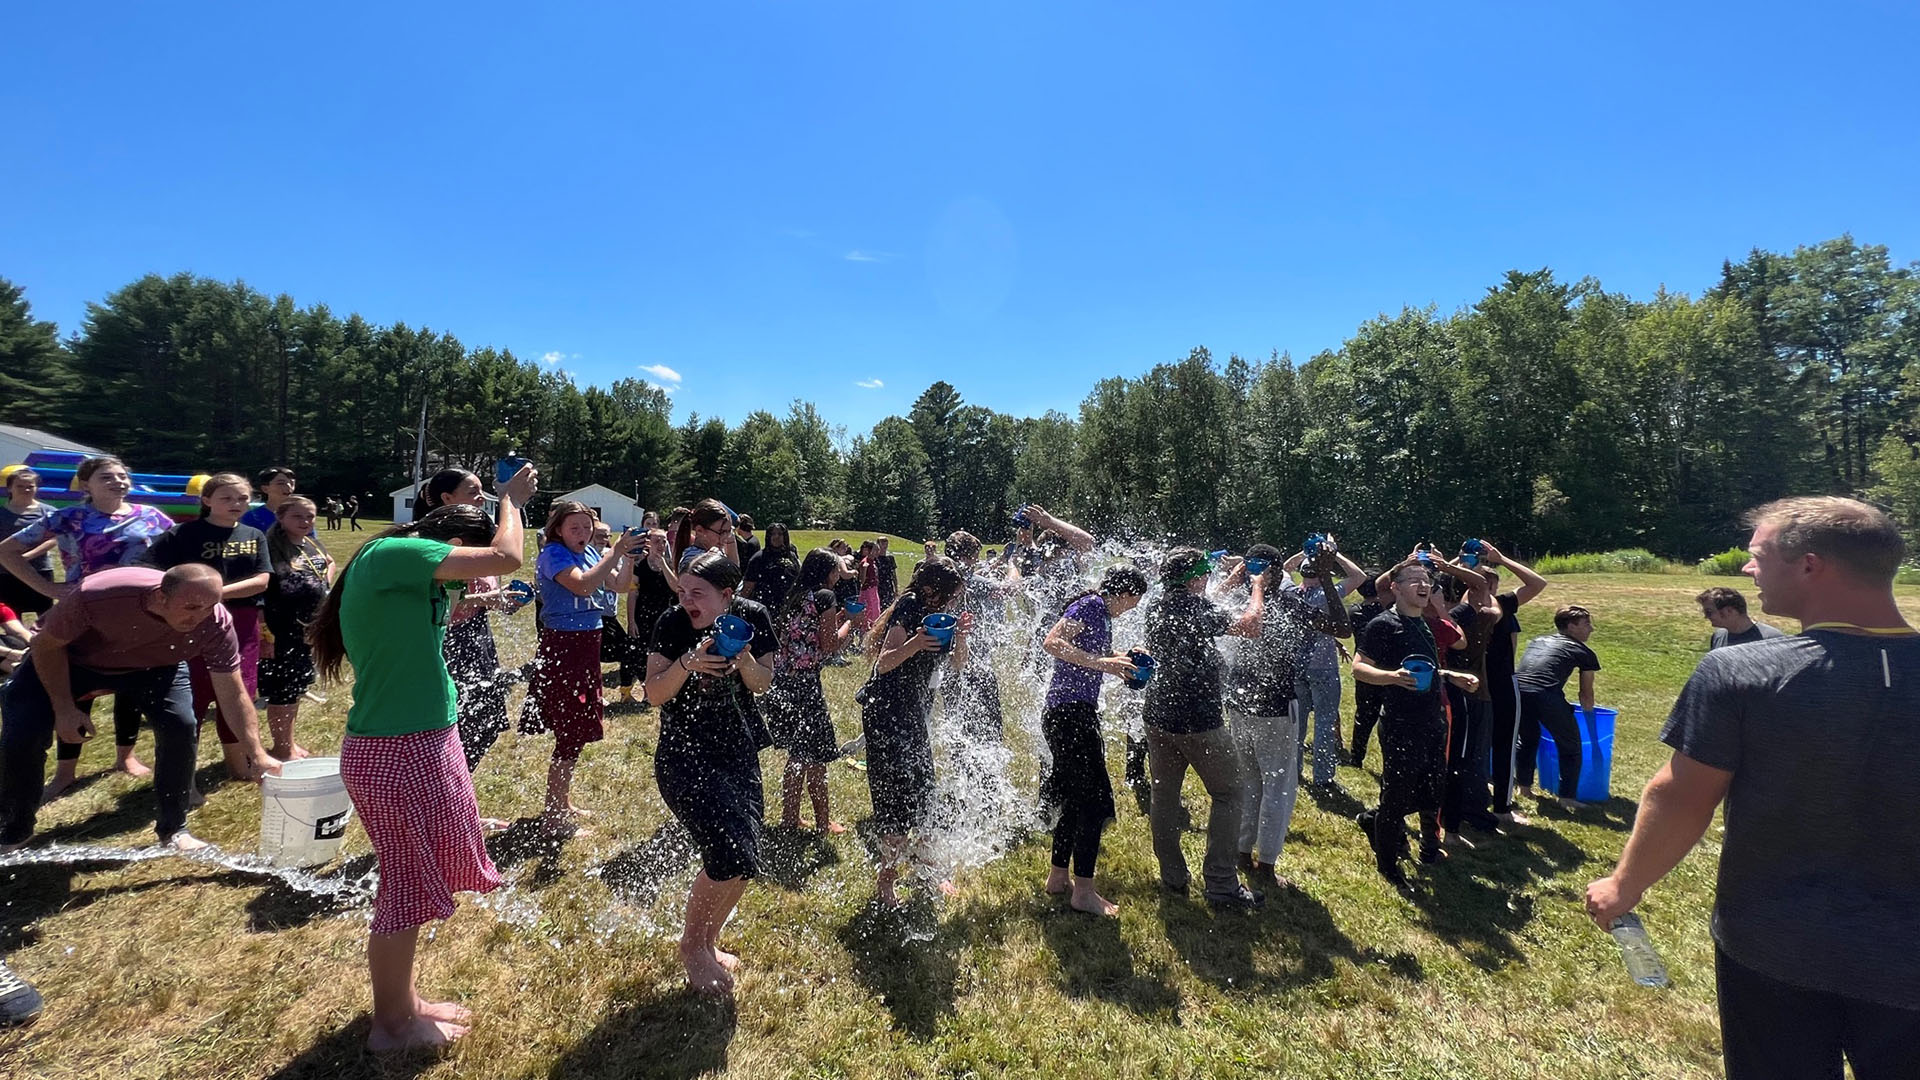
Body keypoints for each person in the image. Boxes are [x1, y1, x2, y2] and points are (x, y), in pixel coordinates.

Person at [1585, 497, 1920, 1080]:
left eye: (1757, 555)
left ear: (1811, 566)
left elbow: (1681, 797)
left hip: (1775, 947)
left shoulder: (1742, 672)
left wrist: (1623, 885)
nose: (1746, 570)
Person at [307, 464, 536, 1051]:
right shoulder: (394, 553)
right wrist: (510, 503)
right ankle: (391, 1026)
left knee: (420, 871)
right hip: (393, 747)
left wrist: (471, 597)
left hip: (424, 736)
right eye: (466, 560)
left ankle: (401, 1002)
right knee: (405, 883)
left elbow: (450, 607)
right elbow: (509, 557)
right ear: (451, 544)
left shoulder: (412, 572)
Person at [0, 563, 283, 851]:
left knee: (181, 726)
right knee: (22, 736)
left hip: (155, 667)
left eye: (210, 606)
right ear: (161, 597)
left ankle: (174, 830)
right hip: (70, 660)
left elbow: (232, 693)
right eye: (191, 607)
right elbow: (46, 645)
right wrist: (64, 708)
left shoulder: (216, 622)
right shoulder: (99, 596)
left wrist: (257, 754)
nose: (200, 617)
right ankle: (14, 830)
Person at [0, 455, 177, 790]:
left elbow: (179, 555)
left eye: (122, 476)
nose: (117, 482)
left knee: (131, 682)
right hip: (83, 611)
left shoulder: (152, 517)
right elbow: (7, 551)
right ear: (86, 484)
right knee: (78, 685)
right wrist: (48, 588)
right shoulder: (68, 517)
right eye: (107, 477)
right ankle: (65, 771)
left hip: (140, 612)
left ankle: (125, 755)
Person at [644, 552, 777, 995]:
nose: (686, 601)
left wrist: (743, 662)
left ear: (727, 595)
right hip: (685, 756)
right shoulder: (673, 623)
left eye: (697, 593)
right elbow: (654, 694)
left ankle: (708, 939)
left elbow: (763, 683)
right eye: (681, 591)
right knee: (724, 856)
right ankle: (691, 947)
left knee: (746, 858)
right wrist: (687, 664)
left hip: (737, 752)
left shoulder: (753, 617)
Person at [1142, 547, 1267, 910]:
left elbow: (1209, 607)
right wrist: (1256, 586)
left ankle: (1173, 876)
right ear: (1195, 576)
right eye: (1205, 573)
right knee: (1230, 793)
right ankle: (1222, 884)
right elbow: (1250, 626)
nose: (1208, 579)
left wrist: (1232, 580)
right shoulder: (1194, 608)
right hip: (1198, 721)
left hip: (1158, 715)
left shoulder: (1159, 604)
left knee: (1164, 797)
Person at [1352, 561, 1481, 886]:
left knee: (1431, 792)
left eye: (1427, 581)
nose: (1424, 586)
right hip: (1400, 724)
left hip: (1433, 721)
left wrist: (1451, 675)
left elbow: (1426, 670)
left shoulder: (1425, 624)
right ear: (1395, 587)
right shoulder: (1383, 625)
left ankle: (1386, 825)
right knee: (1396, 797)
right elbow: (1358, 668)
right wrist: (1391, 677)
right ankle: (1389, 866)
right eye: (1414, 581)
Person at [857, 555, 974, 907]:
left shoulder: (941, 617)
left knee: (924, 793)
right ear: (931, 591)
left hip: (912, 712)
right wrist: (916, 644)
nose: (954, 602)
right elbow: (884, 663)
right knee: (893, 798)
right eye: (951, 596)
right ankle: (885, 884)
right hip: (886, 712)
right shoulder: (910, 606)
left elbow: (957, 664)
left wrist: (962, 637)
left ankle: (927, 872)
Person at [142, 472, 272, 781]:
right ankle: (183, 777)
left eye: (242, 498)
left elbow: (262, 579)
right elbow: (149, 570)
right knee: (195, 695)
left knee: (242, 691)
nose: (235, 504)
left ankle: (239, 766)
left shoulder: (254, 535)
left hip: (242, 623)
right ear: (206, 500)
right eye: (226, 498)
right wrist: (194, 601)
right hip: (192, 622)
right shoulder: (182, 534)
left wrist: (217, 594)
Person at [520, 501, 639, 836]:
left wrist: (627, 558)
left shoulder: (589, 553)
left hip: (587, 645)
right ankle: (553, 817)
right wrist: (614, 553)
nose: (583, 534)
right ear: (558, 529)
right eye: (575, 528)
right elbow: (585, 586)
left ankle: (561, 802)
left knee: (574, 731)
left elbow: (617, 586)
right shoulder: (554, 555)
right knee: (570, 730)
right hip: (565, 647)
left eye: (586, 528)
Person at [1038, 564, 1148, 916]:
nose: (1132, 607)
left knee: (1074, 798)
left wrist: (1118, 660)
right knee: (1095, 802)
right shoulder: (1089, 606)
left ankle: (1058, 878)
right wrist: (1103, 663)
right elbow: (1052, 643)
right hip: (1069, 715)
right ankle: (1083, 891)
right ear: (1126, 593)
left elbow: (1089, 659)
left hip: (1070, 713)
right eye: (1134, 600)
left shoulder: (1100, 613)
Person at [1227, 545, 1334, 890]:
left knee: (1249, 781)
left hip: (1239, 705)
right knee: (1278, 786)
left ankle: (1243, 852)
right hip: (1274, 709)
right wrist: (1328, 580)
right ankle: (1268, 866)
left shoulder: (1240, 603)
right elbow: (1341, 626)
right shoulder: (1288, 603)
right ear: (1275, 572)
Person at [766, 548, 852, 832]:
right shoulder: (826, 596)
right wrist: (851, 625)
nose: (839, 575)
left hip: (783, 681)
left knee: (796, 753)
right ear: (828, 572)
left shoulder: (796, 595)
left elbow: (803, 632)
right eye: (837, 570)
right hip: (805, 685)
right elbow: (828, 645)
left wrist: (833, 619)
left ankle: (790, 819)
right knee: (814, 756)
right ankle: (823, 822)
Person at [1280, 537, 1364, 790]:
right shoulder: (1329, 593)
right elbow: (1358, 576)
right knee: (1325, 723)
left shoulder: (1290, 592)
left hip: (1296, 666)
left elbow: (1285, 568)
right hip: (1323, 666)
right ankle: (1323, 777)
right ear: (1322, 571)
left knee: (1297, 724)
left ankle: (1294, 772)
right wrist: (1333, 553)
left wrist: (1303, 550)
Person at [258, 496, 333, 762]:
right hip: (280, 630)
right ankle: (281, 747)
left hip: (307, 628)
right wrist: (264, 632)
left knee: (297, 685)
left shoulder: (311, 542)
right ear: (280, 517)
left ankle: (288, 741)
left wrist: (324, 584)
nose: (305, 522)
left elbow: (328, 562)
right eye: (297, 516)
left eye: (310, 516)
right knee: (282, 689)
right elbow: (259, 593)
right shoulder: (268, 547)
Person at [1514, 605, 1601, 809]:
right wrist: (1590, 720)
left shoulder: (1538, 641)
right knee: (1571, 746)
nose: (1592, 629)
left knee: (1527, 740)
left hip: (1517, 691)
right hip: (1545, 696)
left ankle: (1523, 787)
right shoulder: (1583, 651)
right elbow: (1585, 693)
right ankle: (1567, 797)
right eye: (1586, 624)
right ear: (1571, 626)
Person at [625, 510, 677, 707]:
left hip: (664, 617)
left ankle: (664, 689)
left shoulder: (669, 565)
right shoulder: (640, 566)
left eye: (664, 542)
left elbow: (676, 588)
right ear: (649, 542)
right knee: (643, 655)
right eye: (657, 541)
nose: (661, 545)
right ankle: (647, 692)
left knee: (664, 654)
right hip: (643, 616)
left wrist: (664, 564)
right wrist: (631, 621)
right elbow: (632, 593)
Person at [1346, 577, 1390, 767]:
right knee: (1387, 715)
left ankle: (1356, 756)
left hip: (1364, 667)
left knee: (1363, 715)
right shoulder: (1385, 611)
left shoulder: (1354, 611)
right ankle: (1388, 755)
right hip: (1387, 668)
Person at [0, 468, 53, 619]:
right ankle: (17, 642)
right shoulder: (2, 513)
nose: (26, 489)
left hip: (40, 570)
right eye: (20, 486)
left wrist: (29, 555)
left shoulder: (48, 513)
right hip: (6, 573)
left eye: (30, 486)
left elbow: (54, 539)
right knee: (11, 616)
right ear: (10, 488)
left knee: (45, 615)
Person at [1697, 586, 1784, 650]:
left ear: (1729, 611)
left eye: (1709, 612)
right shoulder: (1718, 636)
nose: (1706, 617)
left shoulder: (1772, 638)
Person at [741, 522, 800, 609]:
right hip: (765, 605)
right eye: (773, 534)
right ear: (768, 537)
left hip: (787, 604)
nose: (777, 537)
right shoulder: (759, 558)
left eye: (780, 534)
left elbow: (798, 579)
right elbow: (748, 586)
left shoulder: (791, 556)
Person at [673, 499, 739, 572]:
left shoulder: (713, 550)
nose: (725, 538)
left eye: (729, 531)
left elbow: (735, 573)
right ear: (700, 531)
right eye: (721, 532)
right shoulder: (692, 559)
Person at [240, 466, 297, 533]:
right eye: (281, 483)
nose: (289, 487)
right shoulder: (252, 517)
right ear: (265, 489)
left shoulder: (302, 514)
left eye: (292, 483)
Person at [873, 536, 899, 609]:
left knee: (888, 605)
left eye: (886, 543)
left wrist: (896, 588)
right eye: (882, 543)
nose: (885, 545)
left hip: (888, 585)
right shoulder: (875, 558)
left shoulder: (890, 558)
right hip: (878, 585)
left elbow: (894, 574)